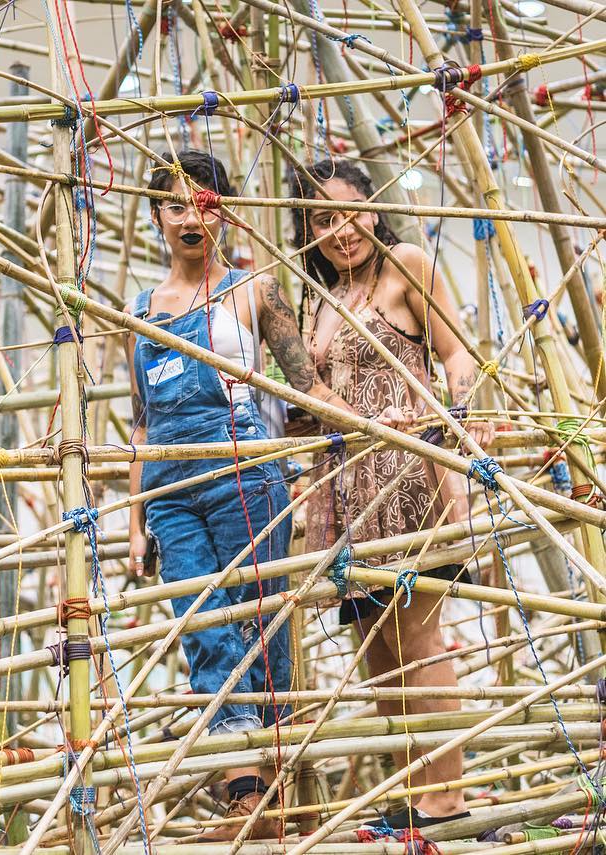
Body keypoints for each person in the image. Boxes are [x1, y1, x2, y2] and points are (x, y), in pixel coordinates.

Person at [126, 149, 370, 841]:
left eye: (205, 202)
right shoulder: (141, 310)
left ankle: (269, 787)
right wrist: (138, 517)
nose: (190, 215)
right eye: (175, 204)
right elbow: (142, 422)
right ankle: (243, 787)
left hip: (245, 473)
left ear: (223, 212)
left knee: (260, 620)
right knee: (200, 618)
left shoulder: (253, 289)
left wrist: (373, 424)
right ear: (156, 216)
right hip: (172, 485)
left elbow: (303, 383)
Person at [290, 158, 495, 829]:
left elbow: (459, 353)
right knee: (378, 655)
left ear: (372, 212)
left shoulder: (405, 264)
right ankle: (413, 793)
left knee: (418, 638)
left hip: (407, 482)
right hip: (345, 495)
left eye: (350, 214)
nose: (340, 230)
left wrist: (451, 407)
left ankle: (447, 799)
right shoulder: (320, 298)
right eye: (323, 221)